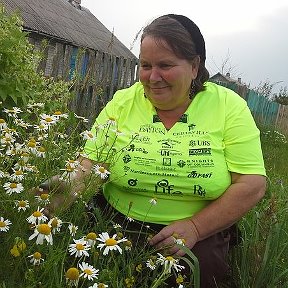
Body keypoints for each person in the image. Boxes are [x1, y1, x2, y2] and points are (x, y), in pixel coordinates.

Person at [43, 14, 266, 287]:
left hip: (199, 229)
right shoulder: (123, 102)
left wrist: (195, 227)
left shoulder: (227, 106)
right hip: (116, 222)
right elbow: (91, 163)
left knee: (198, 275)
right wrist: (66, 187)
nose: (153, 77)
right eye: (145, 65)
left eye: (165, 65)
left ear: (194, 66)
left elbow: (251, 183)